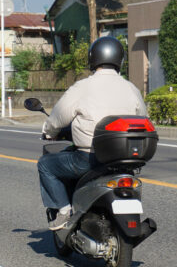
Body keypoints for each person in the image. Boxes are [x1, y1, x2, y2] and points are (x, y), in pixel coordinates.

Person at [37, 36, 148, 230]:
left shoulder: (84, 87)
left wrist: (49, 131)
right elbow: (144, 119)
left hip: (89, 158)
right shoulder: (131, 88)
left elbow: (59, 116)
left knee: (46, 165)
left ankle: (64, 211)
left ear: (93, 59)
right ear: (119, 60)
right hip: (124, 159)